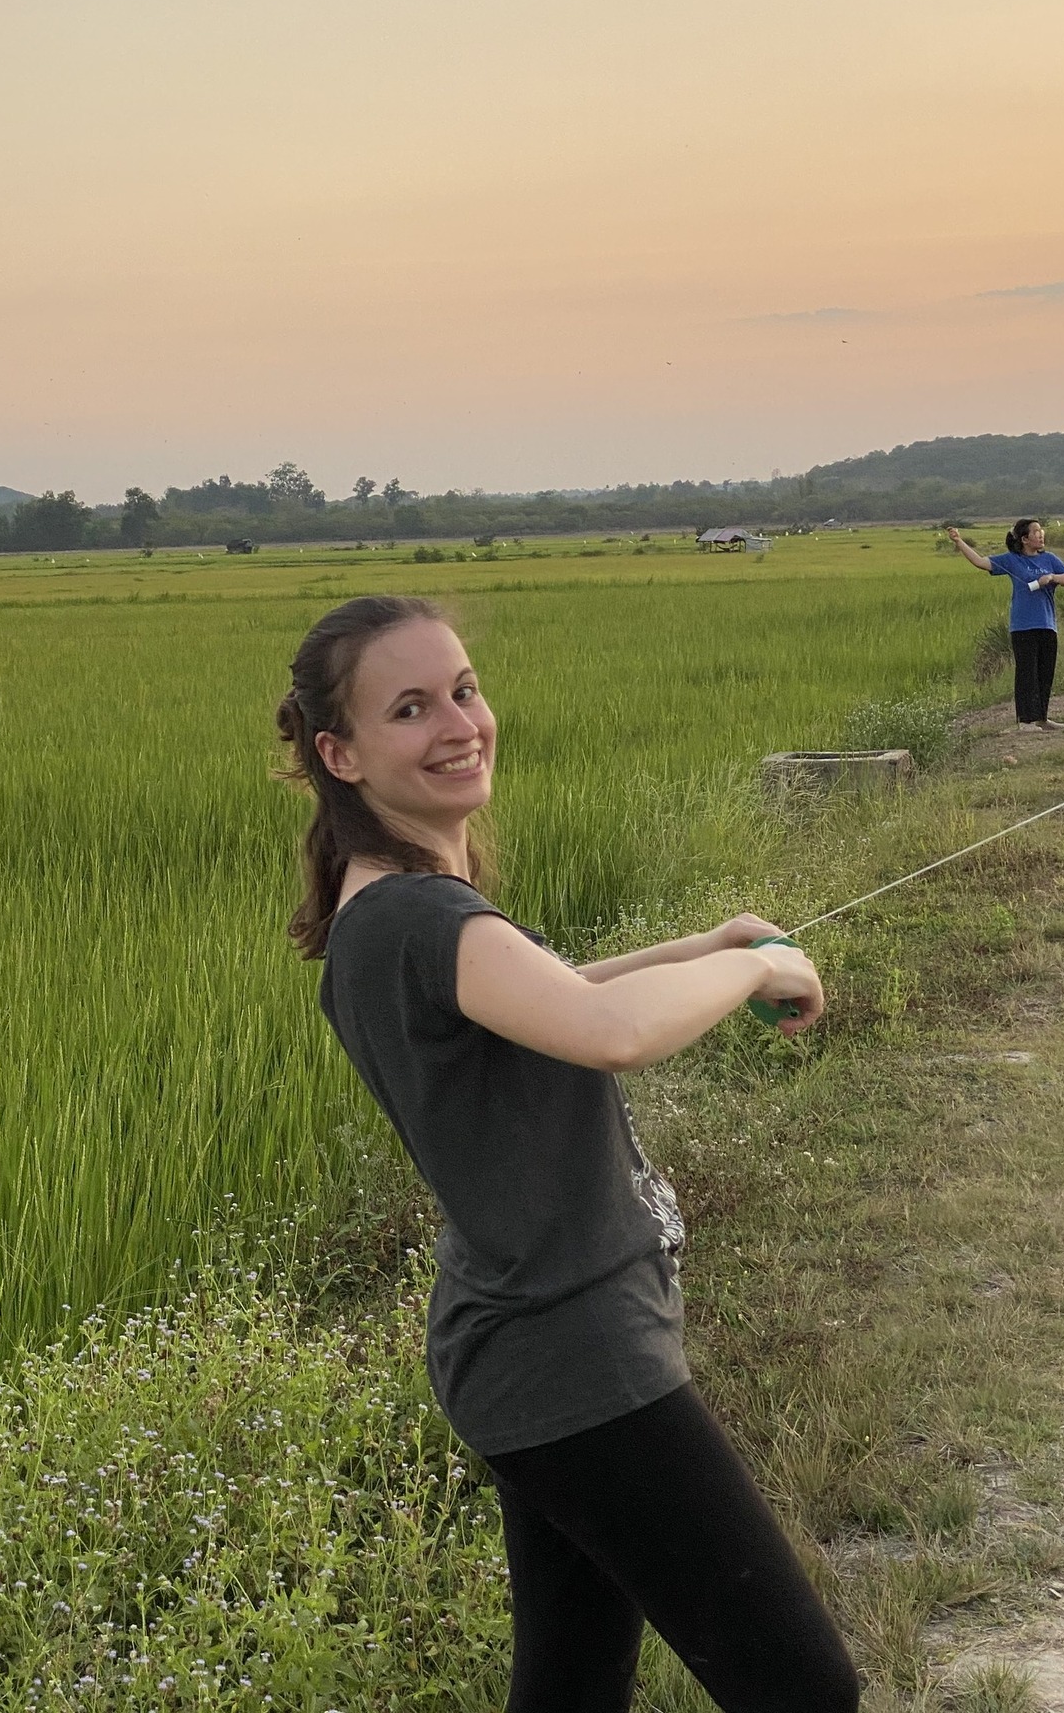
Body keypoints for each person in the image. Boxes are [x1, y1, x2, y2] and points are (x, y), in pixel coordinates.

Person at [276, 596, 859, 1713]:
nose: (458, 722)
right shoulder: (415, 917)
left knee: (573, 1686)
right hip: (572, 1355)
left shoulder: (394, 909)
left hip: (528, 1342)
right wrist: (758, 971)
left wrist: (706, 942)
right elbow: (610, 1033)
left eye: (464, 688)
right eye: (410, 708)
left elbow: (550, 997)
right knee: (804, 1686)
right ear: (340, 754)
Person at [945, 519, 1064, 729]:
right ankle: (1025, 721)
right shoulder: (1012, 560)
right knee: (1027, 673)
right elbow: (980, 562)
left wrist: (1051, 577)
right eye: (1036, 532)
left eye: (1041, 531)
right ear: (1024, 539)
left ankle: (1042, 718)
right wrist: (959, 541)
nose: (1041, 534)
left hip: (1047, 624)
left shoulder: (1049, 559)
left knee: (1045, 672)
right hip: (1023, 625)